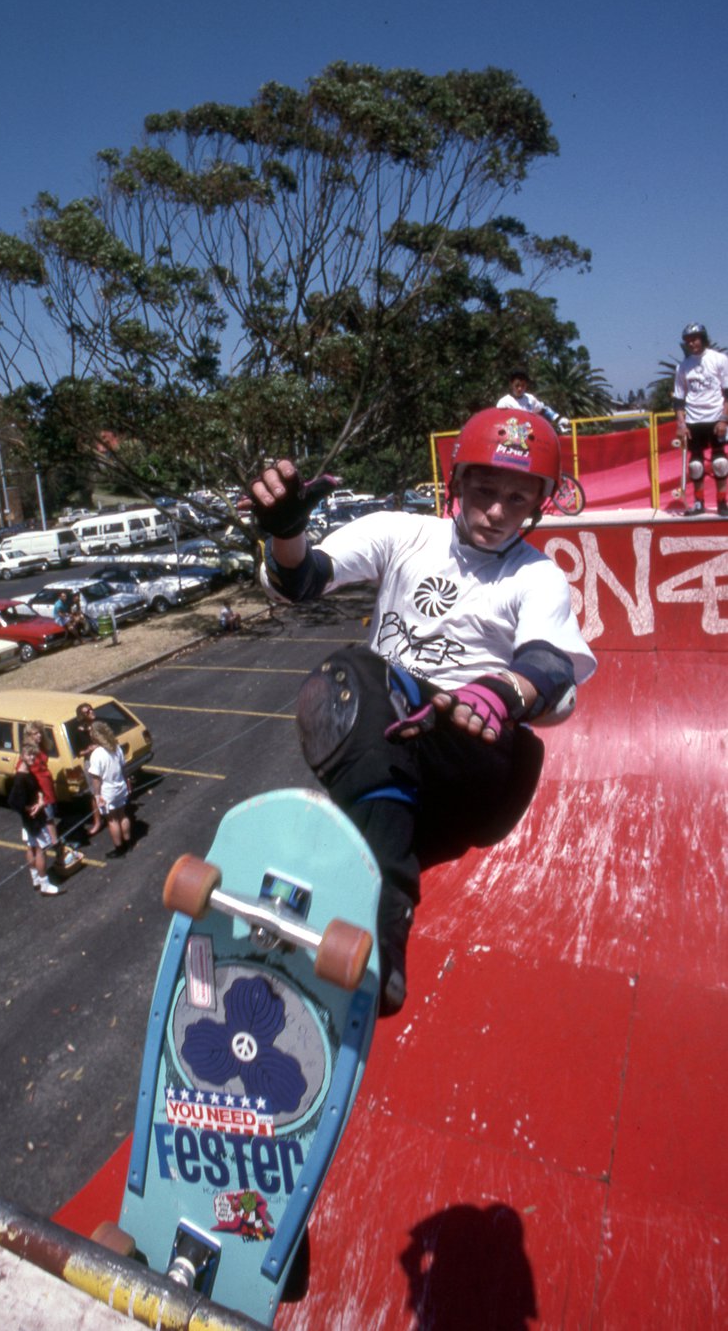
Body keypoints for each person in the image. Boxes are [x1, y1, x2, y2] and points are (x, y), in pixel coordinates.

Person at [242, 406, 597, 1014]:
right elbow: (304, 581)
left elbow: (551, 663)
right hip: (393, 767)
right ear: (455, 483)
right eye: (484, 491)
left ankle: (382, 925)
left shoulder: (535, 577)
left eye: (517, 499)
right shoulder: (403, 534)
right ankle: (325, 930)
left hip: (472, 764)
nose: (495, 512)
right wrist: (285, 535)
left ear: (539, 505)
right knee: (360, 684)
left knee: (359, 674)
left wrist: (500, 691)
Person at [672, 322, 728, 517]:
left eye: (695, 339)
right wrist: (681, 424)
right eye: (688, 341)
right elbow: (678, 400)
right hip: (694, 421)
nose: (692, 344)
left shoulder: (719, 359)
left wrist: (724, 419)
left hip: (715, 418)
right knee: (695, 465)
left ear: (703, 338)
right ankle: (699, 503)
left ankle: (722, 503)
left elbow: (727, 392)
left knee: (720, 462)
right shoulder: (683, 367)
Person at [20, 722, 82, 872]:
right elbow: (22, 775)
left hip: (46, 793)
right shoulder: (28, 753)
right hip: (41, 797)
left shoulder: (39, 748)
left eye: (40, 732)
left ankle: (47, 866)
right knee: (45, 832)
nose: (39, 735)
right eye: (35, 733)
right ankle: (56, 860)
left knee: (37, 839)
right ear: (28, 735)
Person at [8, 742, 61, 895]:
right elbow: (14, 801)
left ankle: (35, 878)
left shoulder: (27, 773)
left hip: (32, 818)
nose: (32, 758)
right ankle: (44, 883)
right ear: (22, 756)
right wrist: (31, 808)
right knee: (41, 849)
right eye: (29, 755)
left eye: (33, 755)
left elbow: (37, 789)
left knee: (31, 846)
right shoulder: (20, 779)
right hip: (34, 820)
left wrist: (39, 800)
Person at [86, 721, 133, 858]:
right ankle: (128, 842)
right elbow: (123, 768)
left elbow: (96, 779)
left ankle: (119, 848)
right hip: (120, 786)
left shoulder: (96, 754)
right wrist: (127, 781)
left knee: (112, 820)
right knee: (123, 815)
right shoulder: (116, 747)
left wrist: (97, 795)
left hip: (107, 791)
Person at [497, 367, 571, 435]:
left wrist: (559, 419)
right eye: (517, 385)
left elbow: (543, 410)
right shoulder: (504, 402)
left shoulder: (530, 399)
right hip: (510, 437)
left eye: (523, 385)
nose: (520, 388)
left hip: (528, 436)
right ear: (511, 384)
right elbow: (498, 421)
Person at [74, 702, 102, 836]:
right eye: (87, 712)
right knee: (94, 792)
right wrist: (88, 749)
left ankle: (111, 815)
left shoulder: (99, 726)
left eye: (91, 709)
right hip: (90, 762)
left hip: (103, 760)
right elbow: (78, 752)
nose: (91, 712)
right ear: (82, 716)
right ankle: (97, 821)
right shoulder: (79, 732)